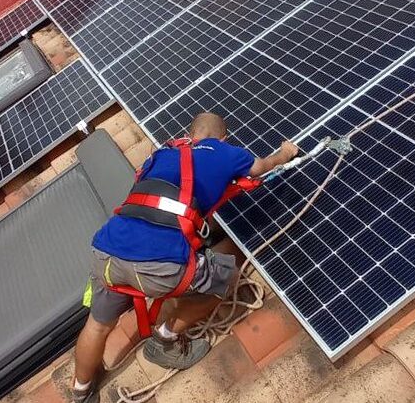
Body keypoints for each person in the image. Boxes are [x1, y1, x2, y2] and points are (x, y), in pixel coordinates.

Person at [71, 112, 298, 402]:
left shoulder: (162, 154)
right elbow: (260, 167)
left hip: (106, 250)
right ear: (223, 138)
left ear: (191, 135)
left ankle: (80, 392)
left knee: (98, 324)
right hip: (157, 264)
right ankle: (163, 340)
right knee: (224, 276)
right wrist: (286, 153)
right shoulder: (225, 152)